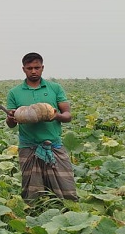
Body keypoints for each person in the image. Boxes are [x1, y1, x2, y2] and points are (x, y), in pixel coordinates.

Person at [5, 52, 78, 201]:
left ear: (42, 68)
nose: (33, 71)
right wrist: (12, 117)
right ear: (23, 69)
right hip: (29, 148)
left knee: (67, 189)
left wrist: (55, 115)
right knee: (32, 193)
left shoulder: (55, 88)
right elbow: (11, 124)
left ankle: (66, 214)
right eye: (29, 68)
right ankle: (33, 217)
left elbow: (68, 115)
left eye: (37, 67)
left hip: (54, 145)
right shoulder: (14, 92)